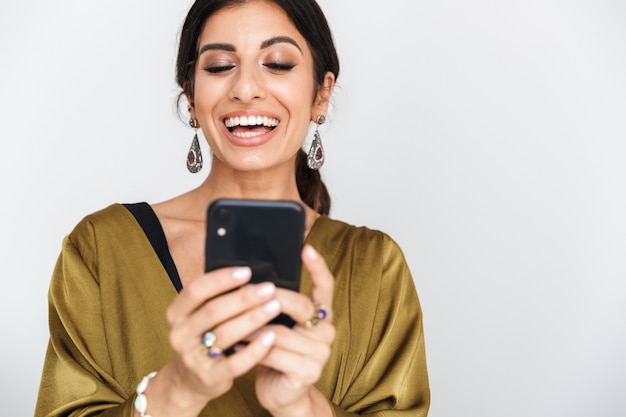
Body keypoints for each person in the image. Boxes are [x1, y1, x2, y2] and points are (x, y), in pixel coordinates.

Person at [34, 0, 430, 416]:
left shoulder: (373, 266)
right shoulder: (101, 249)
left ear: (322, 93)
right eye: (220, 66)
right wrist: (179, 390)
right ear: (190, 96)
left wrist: (300, 406)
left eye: (277, 63)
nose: (245, 88)